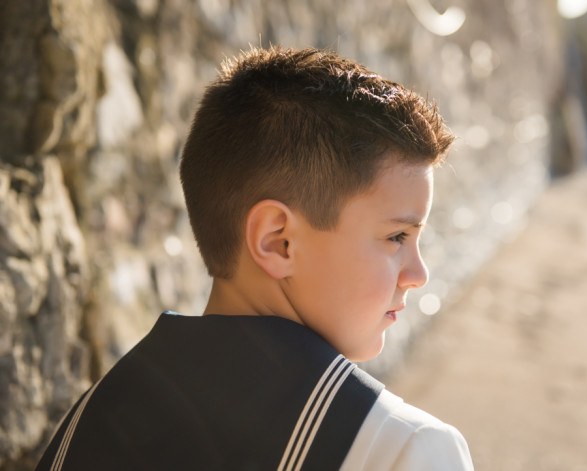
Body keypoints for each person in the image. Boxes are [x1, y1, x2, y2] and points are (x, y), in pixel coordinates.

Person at [37, 46, 473, 470]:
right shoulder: (405, 449)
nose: (418, 274)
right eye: (397, 236)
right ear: (277, 241)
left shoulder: (84, 422)